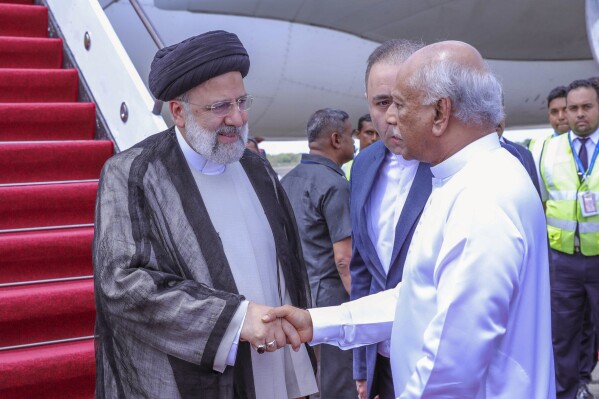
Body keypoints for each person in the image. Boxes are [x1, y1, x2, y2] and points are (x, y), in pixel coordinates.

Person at [265, 40, 555, 398]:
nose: (390, 118)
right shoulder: (466, 178)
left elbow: (450, 372)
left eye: (400, 105)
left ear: (439, 113)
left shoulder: (482, 199)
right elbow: (420, 298)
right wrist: (318, 321)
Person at [92, 30, 317, 399]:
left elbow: (288, 263)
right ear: (178, 111)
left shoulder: (257, 168)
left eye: (242, 101)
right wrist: (234, 319)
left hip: (272, 363)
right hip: (192, 377)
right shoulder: (134, 173)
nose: (238, 117)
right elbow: (122, 283)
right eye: (220, 107)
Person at [350, 39, 431, 399]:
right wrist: (362, 363)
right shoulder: (364, 165)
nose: (392, 116)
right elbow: (362, 271)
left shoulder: (455, 166)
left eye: (403, 101)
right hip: (382, 358)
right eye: (382, 103)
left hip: (438, 361)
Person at [281, 108, 355, 399]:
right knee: (337, 380)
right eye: (351, 136)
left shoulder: (288, 180)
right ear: (336, 139)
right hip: (332, 298)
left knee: (308, 380)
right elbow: (343, 259)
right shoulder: (335, 184)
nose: (354, 142)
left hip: (299, 295)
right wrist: (360, 303)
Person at [542, 79, 599, 399]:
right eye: (573, 108)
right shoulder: (548, 150)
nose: (578, 114)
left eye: (586, 107)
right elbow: (540, 201)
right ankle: (566, 392)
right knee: (562, 337)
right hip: (562, 261)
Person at [342, 113, 379, 180]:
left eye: (378, 134)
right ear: (357, 134)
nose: (374, 138)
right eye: (369, 133)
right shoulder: (345, 163)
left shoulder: (387, 164)